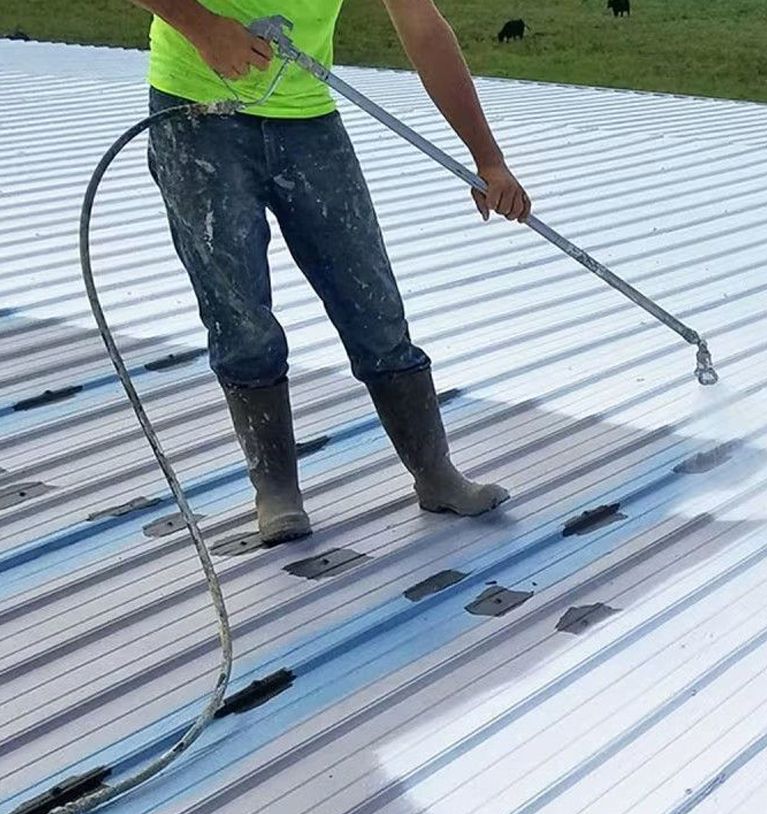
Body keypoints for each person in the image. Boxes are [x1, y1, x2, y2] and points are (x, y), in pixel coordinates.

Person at [132, 0, 529, 544]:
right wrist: (203, 28)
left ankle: (435, 474)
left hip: (306, 118)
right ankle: (276, 490)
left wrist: (487, 158)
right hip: (197, 114)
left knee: (373, 305)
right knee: (239, 316)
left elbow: (422, 24)